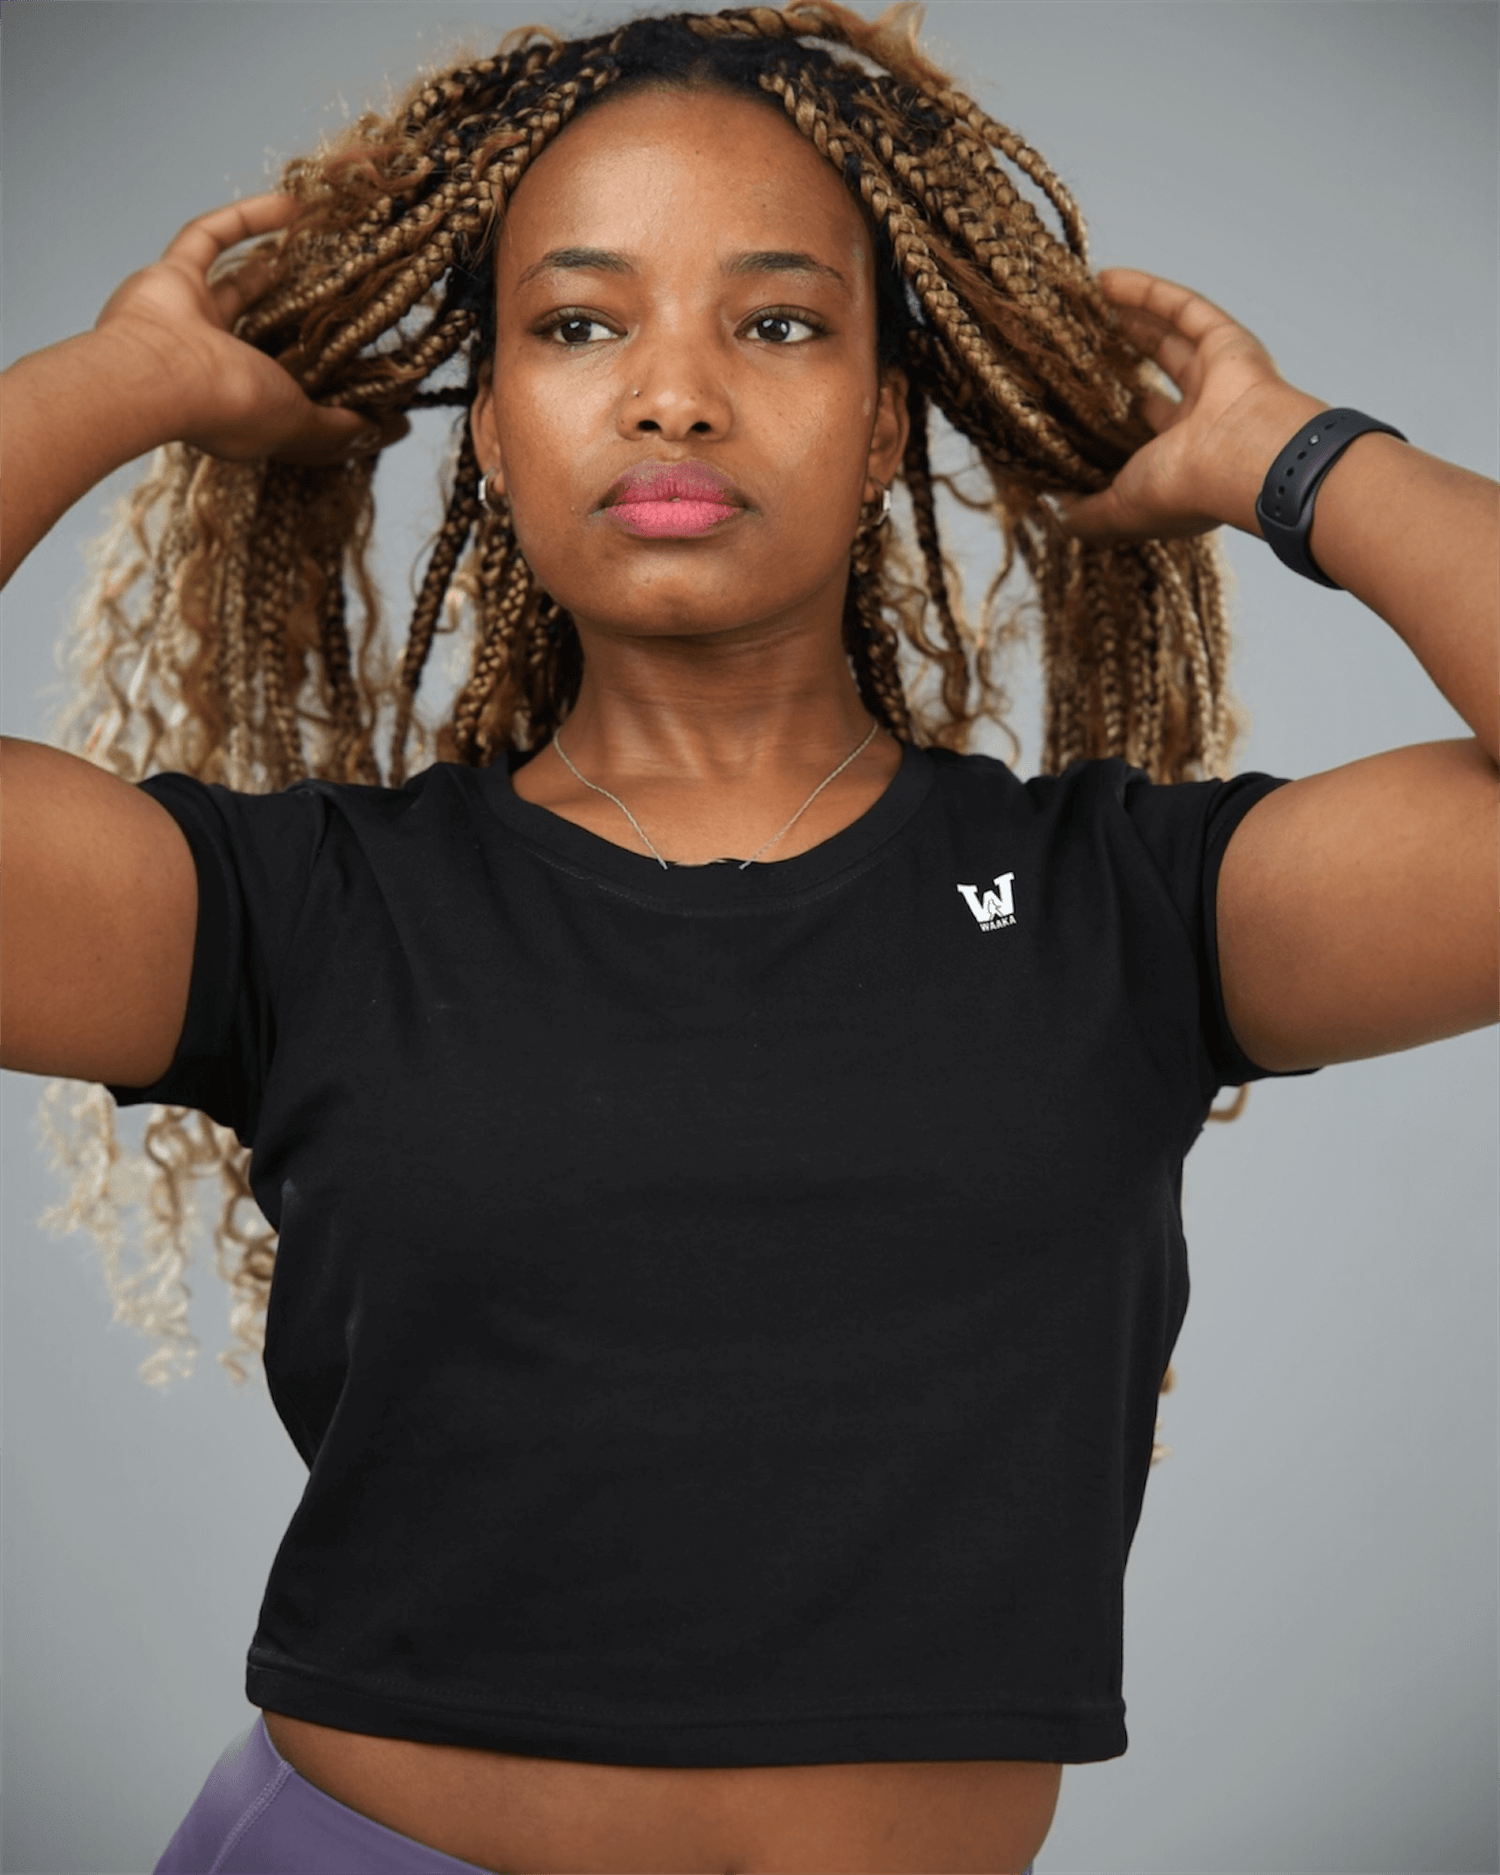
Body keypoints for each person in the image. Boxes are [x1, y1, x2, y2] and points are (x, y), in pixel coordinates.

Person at [0, 1, 1494, 1870]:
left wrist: (1292, 456)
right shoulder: (305, 913)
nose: (673, 392)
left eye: (776, 321)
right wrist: (133, 377)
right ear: (492, 424)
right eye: (575, 324)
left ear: (887, 426)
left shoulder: (1125, 907)